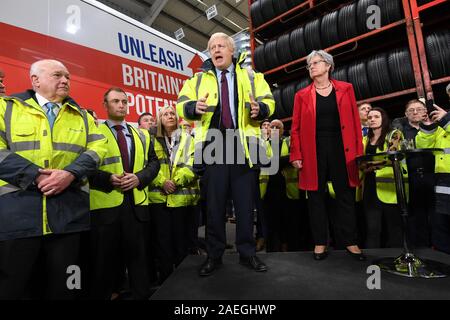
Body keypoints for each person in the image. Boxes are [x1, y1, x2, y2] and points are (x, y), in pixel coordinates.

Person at [0, 59, 107, 299]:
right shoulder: (6, 108)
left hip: (69, 218)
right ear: (35, 80)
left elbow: (99, 148)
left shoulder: (82, 115)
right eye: (58, 75)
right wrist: (35, 176)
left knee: (68, 287)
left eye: (68, 76)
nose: (65, 80)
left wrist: (70, 174)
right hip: (18, 219)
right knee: (14, 288)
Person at [176, 32, 275, 276]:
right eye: (211, 47)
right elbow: (181, 104)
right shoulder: (197, 80)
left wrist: (259, 108)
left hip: (243, 144)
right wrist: (192, 107)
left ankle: (247, 254)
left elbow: (269, 102)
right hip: (213, 143)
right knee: (214, 207)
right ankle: (214, 255)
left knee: (244, 205)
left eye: (221, 45)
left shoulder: (252, 76)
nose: (216, 49)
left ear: (232, 51)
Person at [290, 50, 365, 261]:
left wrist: (358, 153)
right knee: (315, 198)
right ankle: (320, 242)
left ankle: (351, 242)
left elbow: (355, 123)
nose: (312, 66)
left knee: (345, 196)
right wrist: (296, 153)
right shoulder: (301, 95)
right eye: (309, 64)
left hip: (342, 149)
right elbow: (294, 128)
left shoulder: (346, 89)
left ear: (328, 65)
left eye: (316, 62)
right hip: (313, 151)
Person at [88, 87, 159, 300]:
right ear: (105, 105)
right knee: (104, 263)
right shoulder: (93, 132)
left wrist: (139, 178)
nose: (121, 105)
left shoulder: (142, 134)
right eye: (116, 101)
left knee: (139, 260)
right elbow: (85, 167)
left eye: (124, 101)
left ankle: (141, 295)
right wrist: (108, 179)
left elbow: (154, 163)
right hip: (105, 206)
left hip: (136, 205)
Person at [148, 105, 200, 284]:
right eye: (165, 114)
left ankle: (183, 282)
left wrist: (175, 182)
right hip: (158, 198)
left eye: (172, 113)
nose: (170, 116)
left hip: (181, 199)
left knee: (181, 243)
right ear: (159, 119)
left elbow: (193, 164)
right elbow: (146, 165)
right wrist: (162, 181)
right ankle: (165, 282)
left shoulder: (188, 139)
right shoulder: (150, 139)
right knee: (162, 245)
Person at [361, 108, 403, 248]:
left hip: (389, 188)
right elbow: (359, 161)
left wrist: (371, 165)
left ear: (383, 118)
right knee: (372, 229)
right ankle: (372, 263)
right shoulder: (364, 139)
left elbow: (392, 156)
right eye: (370, 117)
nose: (372, 119)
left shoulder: (394, 135)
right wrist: (364, 166)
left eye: (376, 116)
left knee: (393, 228)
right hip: (370, 187)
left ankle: (395, 261)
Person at [416, 102, 450, 254]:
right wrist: (428, 127)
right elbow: (424, 145)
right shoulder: (443, 122)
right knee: (440, 221)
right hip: (442, 179)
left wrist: (447, 120)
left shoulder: (446, 120)